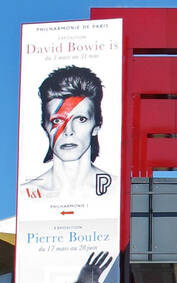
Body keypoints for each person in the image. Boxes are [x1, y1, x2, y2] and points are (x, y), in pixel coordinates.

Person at [20, 65, 112, 201]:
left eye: (81, 119)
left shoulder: (116, 191)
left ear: (96, 126)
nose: (68, 131)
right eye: (57, 120)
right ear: (44, 126)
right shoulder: (25, 195)